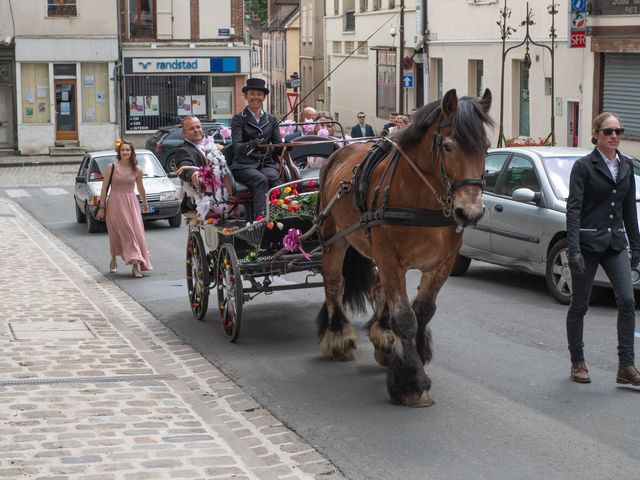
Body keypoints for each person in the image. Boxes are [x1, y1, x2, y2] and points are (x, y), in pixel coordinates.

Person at [566, 111, 640, 386]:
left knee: (627, 300)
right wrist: (573, 249)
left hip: (615, 243)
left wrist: (636, 245)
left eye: (618, 131)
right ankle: (578, 361)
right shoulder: (583, 167)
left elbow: (629, 209)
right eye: (608, 131)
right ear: (596, 134)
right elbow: (573, 210)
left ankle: (626, 366)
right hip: (587, 243)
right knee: (580, 304)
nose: (614, 136)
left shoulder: (626, 166)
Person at [96, 141, 152, 278]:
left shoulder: (137, 169)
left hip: (131, 203)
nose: (125, 152)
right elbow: (104, 188)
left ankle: (135, 266)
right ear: (119, 152)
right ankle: (114, 258)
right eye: (123, 150)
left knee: (134, 233)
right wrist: (102, 207)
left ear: (132, 152)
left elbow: (140, 188)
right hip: (115, 204)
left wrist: (145, 203)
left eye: (128, 150)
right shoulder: (112, 167)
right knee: (118, 235)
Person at [231, 78, 282, 218]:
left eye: (259, 94)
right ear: (246, 96)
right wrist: (252, 144)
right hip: (244, 165)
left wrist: (283, 146)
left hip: (265, 164)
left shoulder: (271, 120)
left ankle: (281, 215)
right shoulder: (238, 119)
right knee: (261, 180)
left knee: (276, 179)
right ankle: (261, 219)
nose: (256, 97)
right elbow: (237, 147)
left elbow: (277, 145)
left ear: (264, 97)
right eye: (252, 93)